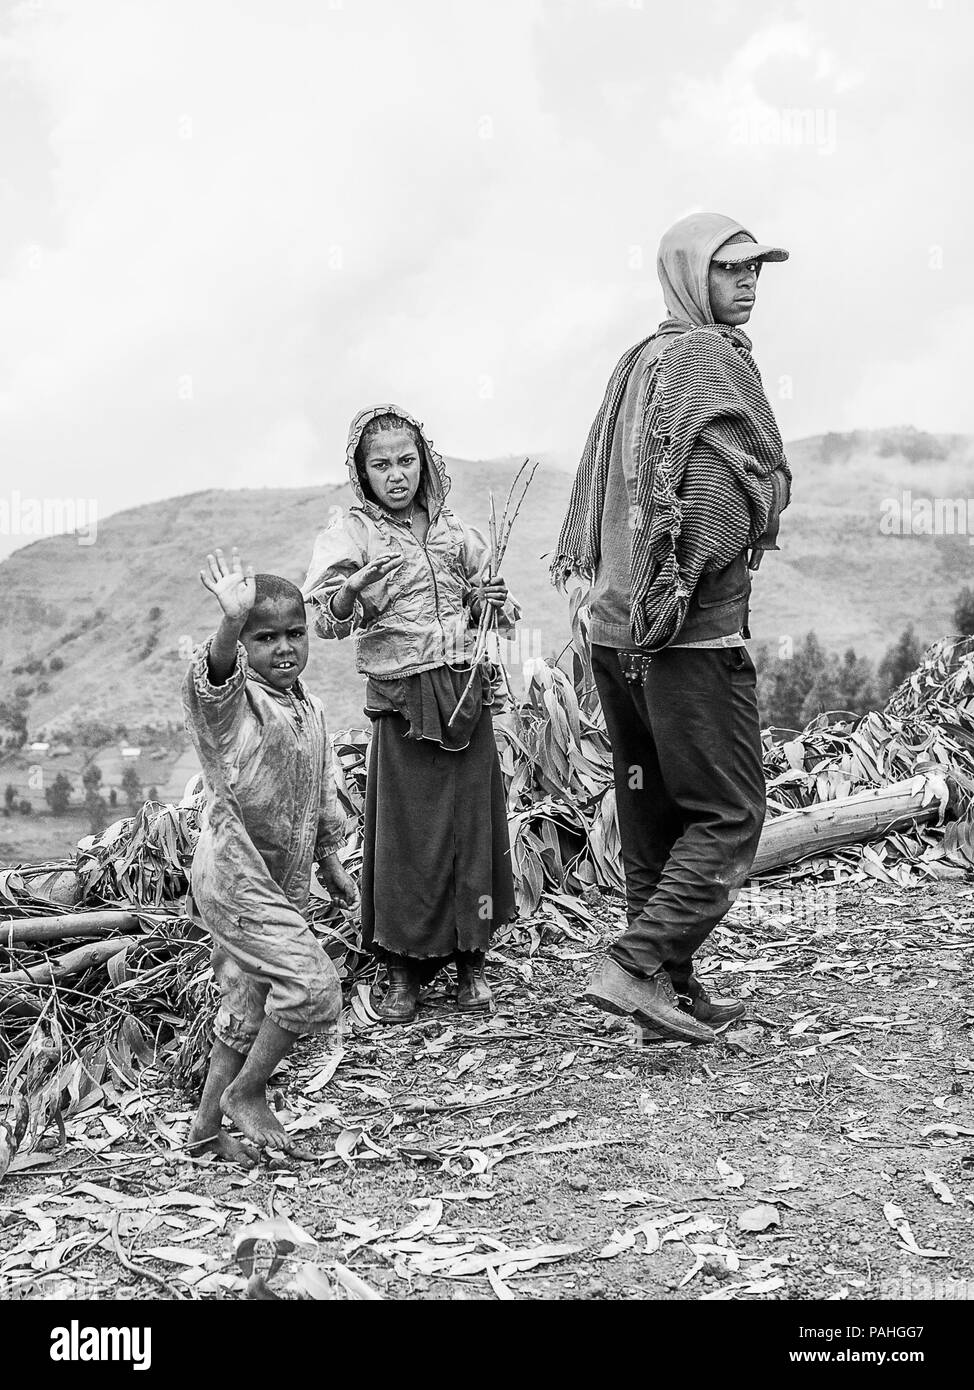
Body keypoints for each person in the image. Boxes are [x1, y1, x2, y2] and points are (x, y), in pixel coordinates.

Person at [551, 211, 792, 1044]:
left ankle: (668, 991)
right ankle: (633, 963)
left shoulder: (641, 359)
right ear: (693, 276)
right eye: (730, 269)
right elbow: (722, 496)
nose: (749, 281)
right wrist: (709, 554)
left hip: (619, 632)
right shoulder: (706, 358)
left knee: (653, 814)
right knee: (730, 813)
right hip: (689, 635)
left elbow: (624, 489)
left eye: (756, 268)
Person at [302, 405, 518, 1023]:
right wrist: (351, 592)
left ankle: (471, 959)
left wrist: (488, 602)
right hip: (401, 700)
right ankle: (401, 968)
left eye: (405, 460)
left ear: (423, 461)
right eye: (381, 464)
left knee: (470, 826)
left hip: (463, 694)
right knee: (406, 835)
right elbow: (324, 619)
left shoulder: (454, 532)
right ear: (361, 472)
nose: (395, 475)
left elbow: (496, 615)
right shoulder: (353, 535)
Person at [183, 548, 358, 1161]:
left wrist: (331, 857)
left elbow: (321, 785)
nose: (284, 648)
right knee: (312, 987)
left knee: (250, 997)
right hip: (236, 874)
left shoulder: (305, 705)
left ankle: (205, 1132)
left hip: (281, 877)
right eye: (265, 637)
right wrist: (229, 626)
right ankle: (248, 1092)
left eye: (294, 634)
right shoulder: (237, 706)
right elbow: (212, 679)